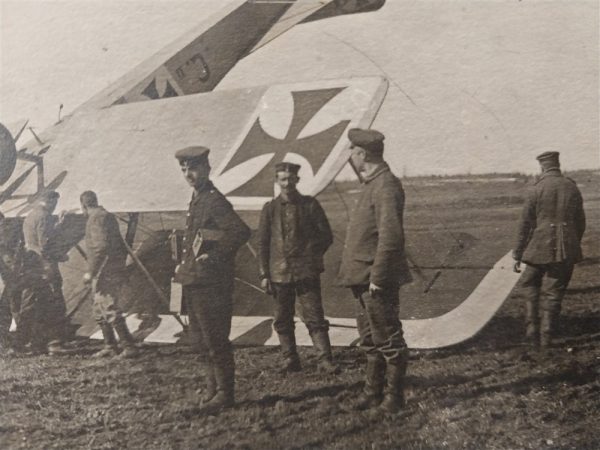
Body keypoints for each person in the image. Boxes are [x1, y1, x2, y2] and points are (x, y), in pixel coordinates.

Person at [337, 128, 412, 414]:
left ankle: (394, 399)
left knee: (389, 340)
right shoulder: (373, 183)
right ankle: (372, 393)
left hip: (375, 279)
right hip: (362, 278)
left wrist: (378, 278)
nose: (349, 157)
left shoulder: (385, 186)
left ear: (361, 154)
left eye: (351, 151)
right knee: (370, 339)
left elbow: (390, 237)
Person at [173, 146, 250, 414]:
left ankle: (224, 394)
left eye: (192, 168)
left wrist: (214, 257)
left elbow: (239, 231)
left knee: (216, 340)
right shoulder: (197, 199)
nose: (188, 174)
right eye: (183, 169)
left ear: (206, 168)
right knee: (200, 340)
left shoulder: (214, 200)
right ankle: (211, 390)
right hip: (196, 282)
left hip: (212, 284)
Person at [257, 162, 338, 374]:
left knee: (315, 316)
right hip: (278, 273)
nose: (287, 184)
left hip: (306, 272)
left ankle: (324, 360)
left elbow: (326, 236)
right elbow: (262, 243)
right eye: (283, 179)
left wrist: (309, 256)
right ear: (276, 181)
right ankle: (290, 359)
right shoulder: (269, 209)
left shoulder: (310, 205)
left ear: (297, 180)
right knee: (282, 318)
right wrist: (264, 274)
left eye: (291, 179)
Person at [512, 151, 586, 348]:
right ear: (558, 165)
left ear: (542, 167)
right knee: (554, 291)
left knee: (529, 284)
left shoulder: (536, 189)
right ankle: (547, 335)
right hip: (566, 250)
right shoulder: (572, 187)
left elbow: (524, 224)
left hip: (538, 249)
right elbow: (580, 222)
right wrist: (571, 244)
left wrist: (518, 253)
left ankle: (531, 330)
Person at [80, 190, 139, 358]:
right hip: (107, 268)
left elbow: (101, 247)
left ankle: (129, 346)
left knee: (108, 306)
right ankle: (110, 345)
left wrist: (90, 272)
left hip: (106, 269)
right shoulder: (103, 215)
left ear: (83, 205)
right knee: (99, 308)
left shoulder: (97, 218)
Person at [19, 191, 69, 355]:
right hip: (44, 265)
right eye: (54, 202)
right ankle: (54, 343)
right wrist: (60, 256)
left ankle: (26, 342)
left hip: (31, 264)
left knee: (32, 302)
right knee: (54, 301)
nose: (55, 206)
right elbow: (45, 245)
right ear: (48, 201)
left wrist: (58, 225)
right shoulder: (44, 216)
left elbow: (34, 240)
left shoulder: (30, 215)